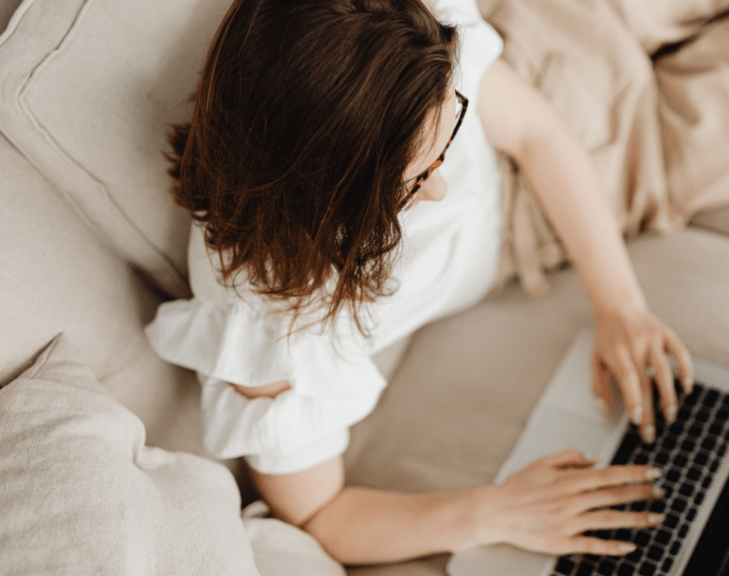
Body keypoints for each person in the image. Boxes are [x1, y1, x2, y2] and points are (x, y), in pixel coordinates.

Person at [146, 0, 696, 565]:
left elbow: (534, 133)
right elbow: (318, 515)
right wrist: (499, 511)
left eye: (449, 126)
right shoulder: (267, 321)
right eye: (416, 181)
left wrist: (622, 308)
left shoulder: (402, 40)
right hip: (528, 217)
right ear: (335, 200)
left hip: (546, 81)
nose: (440, 190)